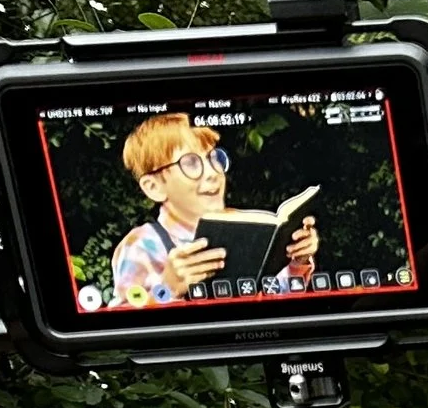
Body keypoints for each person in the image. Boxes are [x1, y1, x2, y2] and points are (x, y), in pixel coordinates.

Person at [109, 112, 318, 305]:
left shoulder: (245, 225)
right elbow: (121, 324)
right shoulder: (142, 246)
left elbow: (278, 296)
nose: (212, 173)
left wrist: (297, 261)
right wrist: (167, 289)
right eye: (190, 163)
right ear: (154, 187)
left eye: (213, 158)